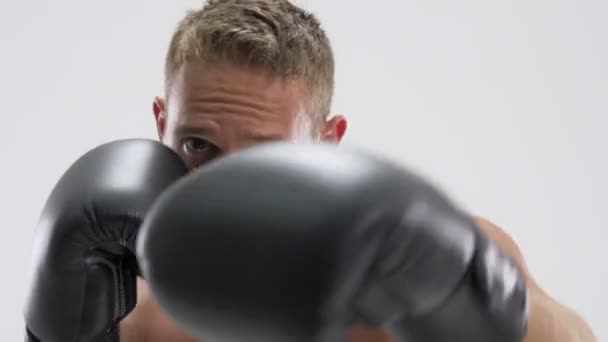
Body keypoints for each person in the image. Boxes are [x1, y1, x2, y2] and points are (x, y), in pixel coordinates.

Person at [23, 1, 596, 341]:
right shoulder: (126, 302)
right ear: (160, 123)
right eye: (198, 145)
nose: (219, 186)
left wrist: (467, 291)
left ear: (328, 143)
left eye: (265, 155)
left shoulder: (399, 273)